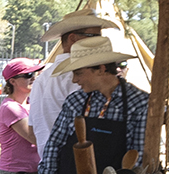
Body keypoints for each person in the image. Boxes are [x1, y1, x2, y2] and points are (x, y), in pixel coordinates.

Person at [38, 37, 149, 174]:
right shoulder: (76, 101)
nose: (75, 80)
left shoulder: (139, 103)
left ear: (101, 69)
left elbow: (136, 160)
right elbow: (53, 147)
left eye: (79, 72)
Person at [28, 10, 119, 157]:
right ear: (73, 39)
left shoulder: (42, 78)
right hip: (80, 164)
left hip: (51, 164)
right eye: (94, 37)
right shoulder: (82, 77)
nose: (98, 42)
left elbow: (33, 130)